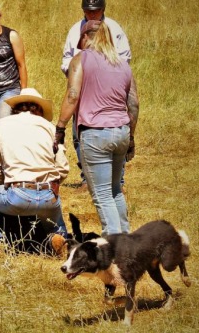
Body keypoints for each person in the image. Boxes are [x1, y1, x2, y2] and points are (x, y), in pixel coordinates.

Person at [55, 20, 139, 236]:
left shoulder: (80, 60)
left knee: (101, 193)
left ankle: (114, 242)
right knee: (114, 190)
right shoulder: (123, 64)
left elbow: (73, 95)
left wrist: (60, 127)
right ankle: (125, 238)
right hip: (121, 130)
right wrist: (131, 138)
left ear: (84, 37)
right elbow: (133, 104)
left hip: (95, 132)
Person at [0, 88, 70, 254]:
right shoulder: (50, 128)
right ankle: (58, 238)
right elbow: (63, 168)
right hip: (49, 197)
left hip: (18, 195)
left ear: (15, 109)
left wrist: (4, 183)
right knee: (54, 219)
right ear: (39, 110)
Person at [60, 0, 132, 187]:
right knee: (79, 133)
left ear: (103, 9)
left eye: (96, 11)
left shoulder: (114, 29)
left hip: (108, 89)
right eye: (89, 11)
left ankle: (118, 180)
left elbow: (124, 58)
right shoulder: (76, 30)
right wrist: (75, 71)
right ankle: (87, 179)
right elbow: (67, 57)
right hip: (83, 89)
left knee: (113, 126)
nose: (92, 15)